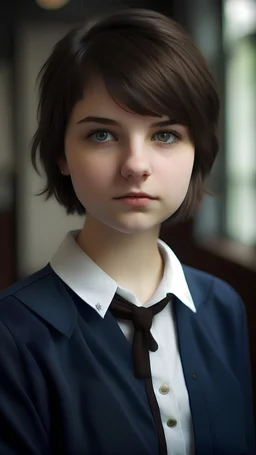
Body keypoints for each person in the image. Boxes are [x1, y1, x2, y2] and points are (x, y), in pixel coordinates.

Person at [0, 8, 255, 455]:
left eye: (166, 135)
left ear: (199, 149)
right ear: (61, 152)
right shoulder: (11, 332)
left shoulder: (223, 308)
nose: (136, 165)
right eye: (102, 135)